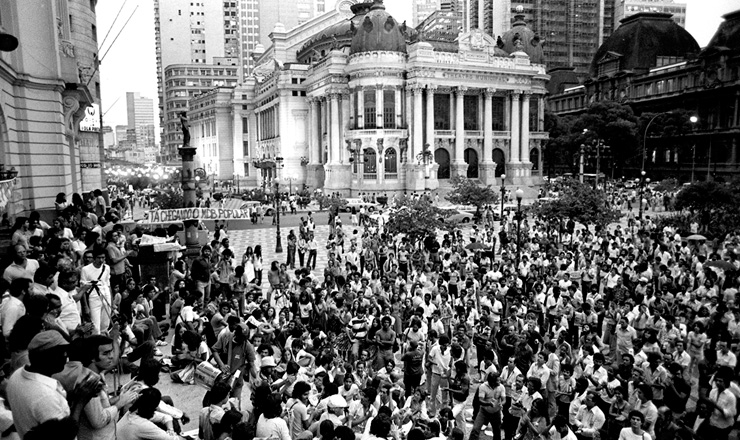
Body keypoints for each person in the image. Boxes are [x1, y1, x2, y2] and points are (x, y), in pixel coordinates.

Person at [6, 330, 98, 438]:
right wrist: (80, 402)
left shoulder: (17, 375)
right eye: (63, 352)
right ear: (49, 357)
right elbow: (66, 435)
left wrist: (75, 394)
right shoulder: (46, 396)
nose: (66, 356)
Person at [117, 388, 181, 439]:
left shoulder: (135, 411)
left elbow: (166, 417)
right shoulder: (142, 424)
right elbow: (171, 439)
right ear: (155, 407)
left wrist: (170, 430)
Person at [80, 246, 112, 335]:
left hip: (106, 296)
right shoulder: (85, 269)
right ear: (94, 258)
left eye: (103, 258)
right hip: (93, 298)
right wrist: (86, 307)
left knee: (105, 326)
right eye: (99, 258)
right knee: (95, 328)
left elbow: (108, 285)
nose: (101, 260)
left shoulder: (107, 268)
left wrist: (111, 303)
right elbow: (83, 289)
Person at [469, 372, 506, 440]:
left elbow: (504, 400)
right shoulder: (483, 387)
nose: (499, 381)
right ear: (492, 382)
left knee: (497, 432)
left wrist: (501, 404)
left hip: (496, 413)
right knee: (475, 429)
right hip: (483, 412)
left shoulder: (501, 387)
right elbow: (480, 400)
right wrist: (489, 403)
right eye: (497, 380)